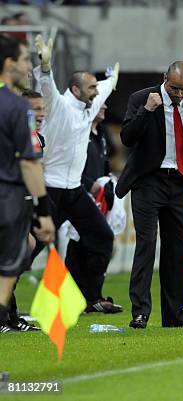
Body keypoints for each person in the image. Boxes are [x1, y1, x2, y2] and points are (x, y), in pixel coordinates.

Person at [116, 61, 183, 329]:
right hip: (147, 182)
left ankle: (175, 316)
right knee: (146, 245)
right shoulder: (142, 99)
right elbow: (127, 138)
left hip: (179, 183)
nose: (178, 95)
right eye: (174, 88)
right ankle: (140, 312)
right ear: (165, 78)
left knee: (178, 250)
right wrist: (147, 111)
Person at [30, 35, 122, 313]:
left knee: (102, 238)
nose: (96, 92)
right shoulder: (58, 106)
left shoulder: (89, 103)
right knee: (30, 249)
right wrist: (45, 67)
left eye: (95, 87)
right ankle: (5, 305)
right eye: (90, 87)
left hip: (74, 192)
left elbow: (105, 88)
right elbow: (46, 87)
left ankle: (89, 298)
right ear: (75, 89)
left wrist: (112, 80)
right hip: (50, 189)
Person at [0, 35, 55, 332]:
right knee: (9, 270)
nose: (27, 66)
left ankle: (10, 318)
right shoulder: (15, 107)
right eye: (24, 60)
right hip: (7, 199)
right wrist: (43, 211)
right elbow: (29, 163)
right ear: (9, 64)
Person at [64, 103, 122, 313]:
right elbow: (69, 163)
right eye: (100, 101)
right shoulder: (78, 132)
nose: (105, 105)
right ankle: (88, 297)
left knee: (83, 243)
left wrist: (108, 177)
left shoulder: (101, 133)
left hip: (96, 197)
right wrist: (89, 184)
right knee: (93, 241)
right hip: (77, 194)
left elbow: (105, 160)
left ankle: (86, 297)